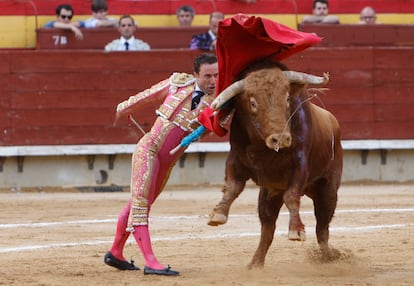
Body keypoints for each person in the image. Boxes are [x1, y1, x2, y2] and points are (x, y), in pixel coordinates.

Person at [104, 53, 219, 276]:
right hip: (149, 150)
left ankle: (116, 252)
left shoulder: (216, 103)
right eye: (207, 76)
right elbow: (140, 99)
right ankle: (151, 261)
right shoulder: (177, 84)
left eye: (216, 75)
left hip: (166, 164)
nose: (213, 81)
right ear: (196, 74)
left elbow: (214, 129)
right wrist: (124, 109)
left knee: (138, 205)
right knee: (139, 206)